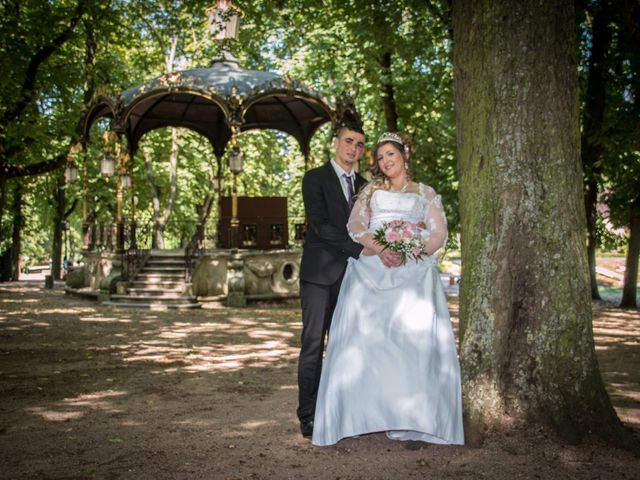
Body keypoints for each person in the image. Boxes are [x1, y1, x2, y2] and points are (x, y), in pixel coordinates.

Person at [311, 131, 464, 446]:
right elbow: (355, 226)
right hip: (371, 268)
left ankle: (408, 414)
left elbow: (439, 235)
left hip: (412, 272)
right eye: (380, 157)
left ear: (405, 155)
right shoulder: (370, 191)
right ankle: (360, 413)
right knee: (368, 343)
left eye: (390, 154)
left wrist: (413, 250)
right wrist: (378, 245)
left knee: (409, 345)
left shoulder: (425, 193)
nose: (385, 161)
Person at [297, 123, 401, 438]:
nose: (353, 148)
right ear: (335, 143)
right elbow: (321, 226)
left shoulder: (367, 186)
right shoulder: (314, 179)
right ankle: (308, 415)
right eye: (348, 141)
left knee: (352, 346)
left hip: (356, 279)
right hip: (319, 275)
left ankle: (346, 411)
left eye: (359, 144)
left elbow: (376, 224)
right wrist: (362, 248)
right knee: (314, 343)